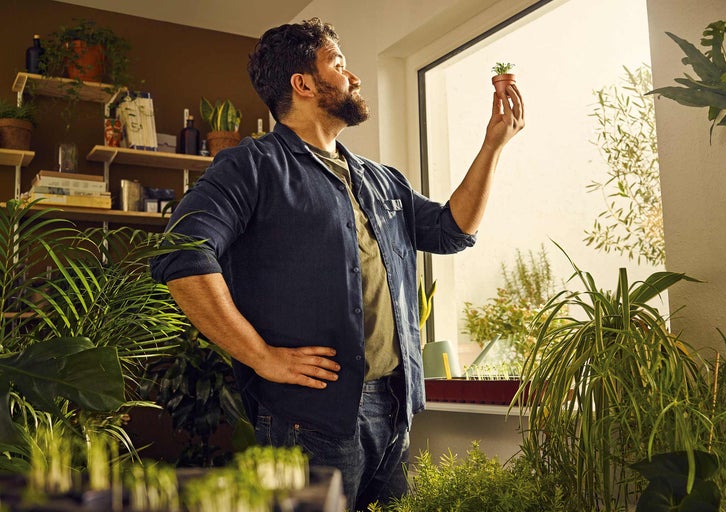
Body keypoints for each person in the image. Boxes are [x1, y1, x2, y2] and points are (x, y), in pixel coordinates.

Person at [150, 17, 524, 511]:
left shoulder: (380, 179)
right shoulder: (252, 166)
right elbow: (182, 252)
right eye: (339, 64)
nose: (355, 77)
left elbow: (453, 231)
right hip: (310, 421)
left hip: (394, 408)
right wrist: (262, 356)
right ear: (302, 84)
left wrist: (493, 145)